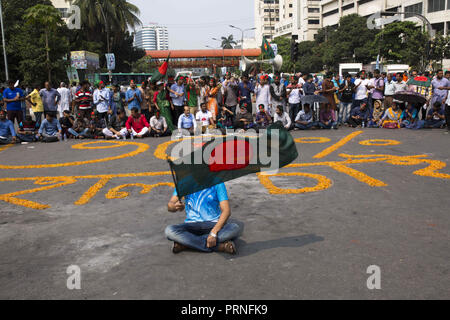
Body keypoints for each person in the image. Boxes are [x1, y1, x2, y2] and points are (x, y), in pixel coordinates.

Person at [166, 183, 240, 254]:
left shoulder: (218, 183)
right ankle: (218, 246)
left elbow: (226, 211)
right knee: (169, 231)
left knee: (234, 228)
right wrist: (174, 206)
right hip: (191, 224)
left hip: (213, 224)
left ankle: (187, 244)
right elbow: (170, 204)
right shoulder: (184, 182)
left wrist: (213, 233)